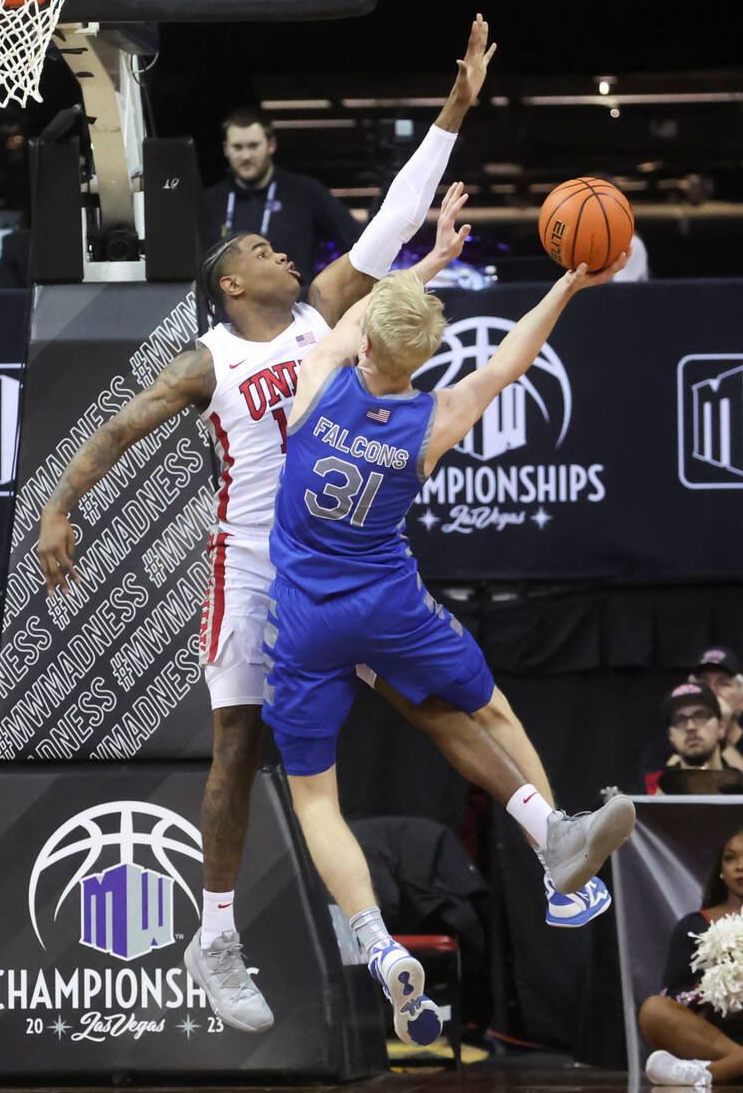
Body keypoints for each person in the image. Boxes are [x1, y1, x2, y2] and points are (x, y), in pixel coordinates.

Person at [38, 15, 607, 1034]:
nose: (282, 251)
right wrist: (57, 503)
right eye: (261, 247)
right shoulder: (207, 358)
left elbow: (391, 223)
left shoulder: (321, 320)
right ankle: (214, 933)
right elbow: (118, 427)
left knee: (433, 711)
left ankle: (538, 846)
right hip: (252, 566)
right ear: (229, 283)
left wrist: (452, 113)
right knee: (234, 749)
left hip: (330, 566)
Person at [260, 250, 636, 1041]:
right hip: (391, 608)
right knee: (487, 708)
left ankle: (374, 942)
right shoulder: (429, 418)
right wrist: (566, 284)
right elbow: (509, 362)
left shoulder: (318, 377)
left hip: (304, 618)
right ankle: (554, 853)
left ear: (365, 342)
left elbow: (355, 317)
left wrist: (422, 264)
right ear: (423, 356)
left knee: (318, 801)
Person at [199, 105, 361, 287]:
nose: (245, 156)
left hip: (296, 308)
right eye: (237, 147)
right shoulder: (209, 201)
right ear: (225, 149)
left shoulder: (305, 192)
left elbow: (358, 242)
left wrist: (328, 291)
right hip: (227, 308)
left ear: (271, 145)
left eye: (253, 146)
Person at [639, 828, 743, 1087]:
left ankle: (709, 1074)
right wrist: (716, 989)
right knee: (654, 1009)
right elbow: (671, 996)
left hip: (719, 1059)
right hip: (716, 1041)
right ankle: (732, 1063)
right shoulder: (694, 925)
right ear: (720, 870)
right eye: (730, 858)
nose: (740, 866)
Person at [641, 680, 743, 795]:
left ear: (721, 727)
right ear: (670, 735)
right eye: (680, 719)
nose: (690, 727)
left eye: (701, 716)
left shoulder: (739, 787)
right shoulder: (659, 794)